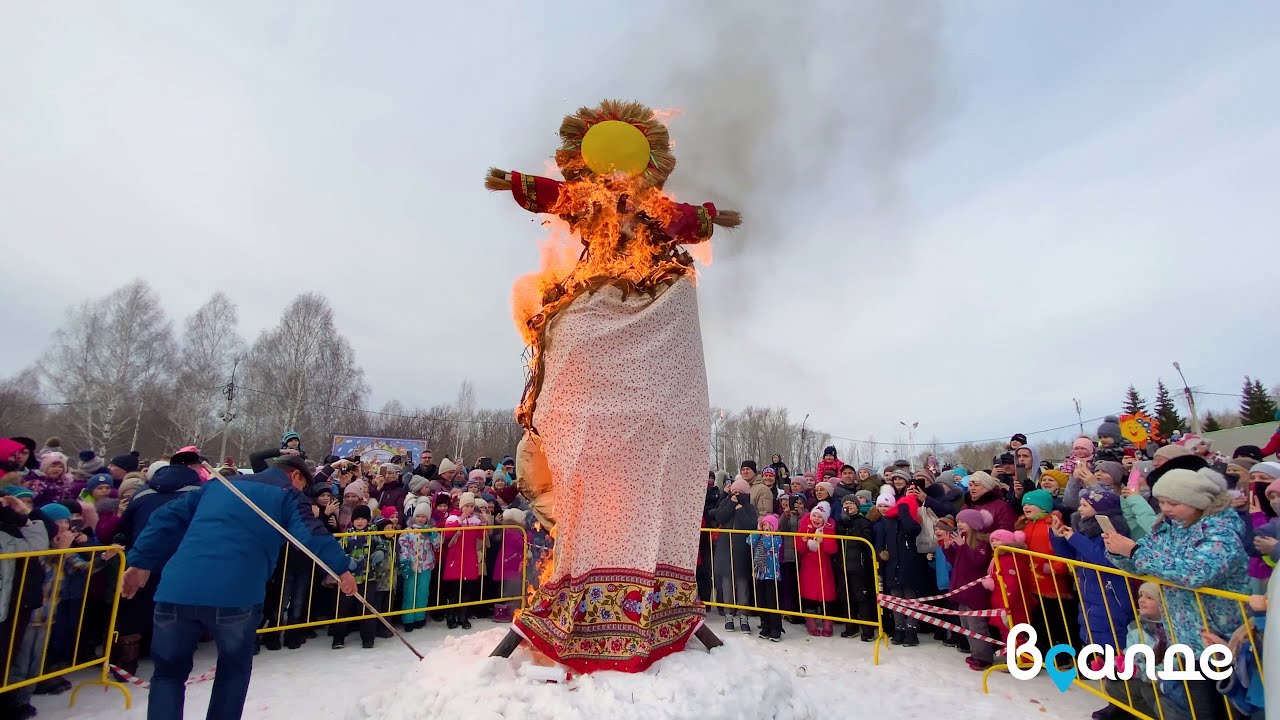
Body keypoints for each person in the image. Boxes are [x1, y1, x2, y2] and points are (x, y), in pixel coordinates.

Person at [120, 455, 356, 720]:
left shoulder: (218, 485)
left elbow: (165, 518)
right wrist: (341, 568)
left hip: (178, 590)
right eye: (304, 486)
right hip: (236, 595)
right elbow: (310, 532)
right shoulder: (286, 493)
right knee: (232, 672)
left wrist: (140, 561)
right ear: (295, 476)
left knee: (167, 675)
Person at [1103, 467, 1250, 720]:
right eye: (1161, 502)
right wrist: (1119, 551)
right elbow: (1142, 564)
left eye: (1173, 502)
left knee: (1229, 707)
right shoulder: (1168, 529)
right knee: (1198, 707)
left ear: (1197, 502)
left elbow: (1195, 572)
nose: (1165, 508)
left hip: (1219, 635)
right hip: (1184, 634)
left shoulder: (1220, 532)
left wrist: (1135, 552)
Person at [713, 477, 757, 633]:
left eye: (740, 492)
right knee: (727, 583)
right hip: (725, 548)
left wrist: (740, 510)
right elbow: (720, 517)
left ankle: (743, 615)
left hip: (742, 550)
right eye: (734, 491)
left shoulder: (750, 508)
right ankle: (728, 615)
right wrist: (731, 504)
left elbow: (751, 525)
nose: (737, 494)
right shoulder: (726, 503)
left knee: (742, 583)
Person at [796, 501, 837, 637]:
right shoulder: (805, 528)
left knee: (827, 595)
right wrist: (805, 541)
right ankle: (811, 621)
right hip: (808, 568)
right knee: (809, 595)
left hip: (824, 568)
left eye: (819, 517)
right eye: (814, 516)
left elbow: (832, 549)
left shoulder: (829, 529)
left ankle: (827, 623)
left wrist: (823, 540)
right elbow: (799, 548)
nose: (816, 519)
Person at [747, 514, 785, 641]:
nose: (765, 527)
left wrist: (768, 535)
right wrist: (758, 531)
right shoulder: (759, 536)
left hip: (772, 574)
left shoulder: (777, 537)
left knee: (772, 601)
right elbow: (750, 541)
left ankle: (776, 627)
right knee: (762, 600)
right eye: (763, 525)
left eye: (768, 525)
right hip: (760, 573)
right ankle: (765, 625)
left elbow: (770, 546)